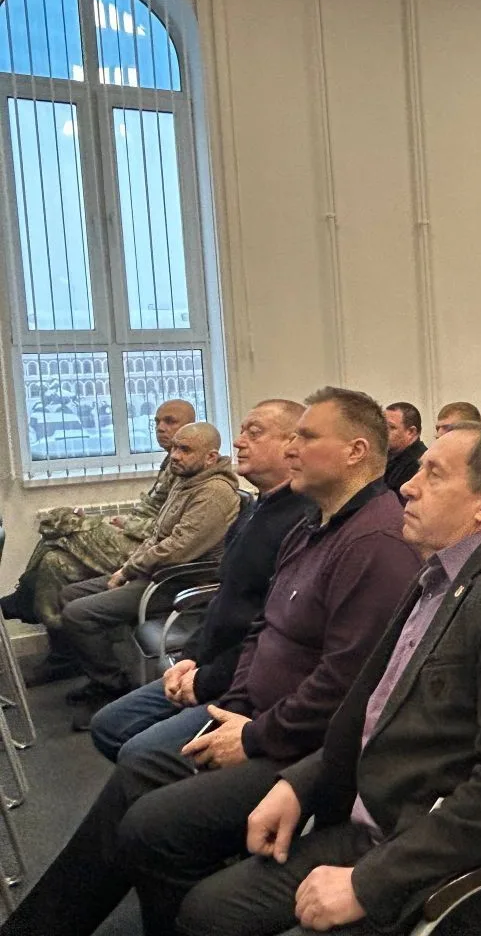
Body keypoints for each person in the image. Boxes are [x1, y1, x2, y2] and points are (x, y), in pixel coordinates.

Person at [0, 387, 424, 936]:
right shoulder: (312, 525)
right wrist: (236, 702)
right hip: (252, 714)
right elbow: (261, 626)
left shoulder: (377, 542)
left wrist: (252, 733)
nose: (292, 448)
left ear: (355, 451)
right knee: (137, 775)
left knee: (151, 825)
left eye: (306, 436)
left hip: (300, 746)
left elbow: (345, 685)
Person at [173, 424, 481, 936]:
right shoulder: (436, 577)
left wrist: (368, 884)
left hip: (445, 862)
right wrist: (300, 785)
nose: (408, 486)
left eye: (433, 475)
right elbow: (375, 714)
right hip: (380, 820)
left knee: (209, 915)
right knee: (204, 911)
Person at [89, 400, 311, 764]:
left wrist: (207, 679)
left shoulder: (302, 522)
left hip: (239, 679)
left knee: (136, 754)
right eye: (242, 431)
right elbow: (224, 600)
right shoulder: (256, 510)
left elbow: (271, 632)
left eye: (254, 433)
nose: (238, 441)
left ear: (293, 444)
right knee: (107, 725)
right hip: (208, 661)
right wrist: (189, 657)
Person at [59, 423, 243, 726]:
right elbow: (157, 534)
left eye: (185, 449)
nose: (175, 455)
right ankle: (107, 674)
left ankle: (111, 687)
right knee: (70, 594)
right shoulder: (186, 481)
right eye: (175, 447)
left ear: (210, 458)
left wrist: (130, 570)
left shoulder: (213, 493)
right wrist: (128, 566)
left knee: (79, 614)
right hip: (156, 573)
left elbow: (178, 548)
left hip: (179, 581)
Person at [3, 399, 196, 675]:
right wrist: (125, 524)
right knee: (54, 561)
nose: (160, 428)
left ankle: (21, 599)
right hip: (134, 539)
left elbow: (167, 530)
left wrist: (127, 524)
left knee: (60, 522)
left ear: (192, 426)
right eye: (156, 422)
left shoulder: (193, 471)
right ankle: (64, 657)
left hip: (145, 553)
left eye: (170, 421)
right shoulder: (170, 462)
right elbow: (152, 510)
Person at [383, 403, 426, 498]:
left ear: (411, 432)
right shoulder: (388, 457)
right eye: (382, 426)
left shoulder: (419, 464)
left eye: (391, 427)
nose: (382, 432)